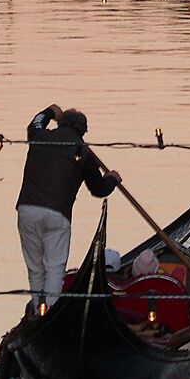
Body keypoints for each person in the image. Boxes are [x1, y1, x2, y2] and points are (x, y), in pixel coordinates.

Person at [14, 105, 121, 316]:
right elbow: (99, 189)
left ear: (60, 123)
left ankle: (39, 311)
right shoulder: (84, 152)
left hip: (27, 210)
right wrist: (113, 179)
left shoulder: (39, 136)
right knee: (54, 268)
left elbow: (35, 122)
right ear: (83, 131)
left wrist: (49, 111)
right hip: (57, 215)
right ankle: (50, 310)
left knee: (35, 268)